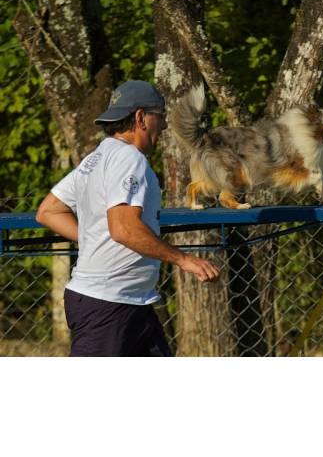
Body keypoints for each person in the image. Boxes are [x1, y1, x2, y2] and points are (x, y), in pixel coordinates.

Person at [36, 80, 220, 356]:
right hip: (107, 307)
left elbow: (49, 211)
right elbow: (123, 228)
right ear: (140, 118)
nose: (166, 126)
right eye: (161, 116)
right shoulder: (129, 159)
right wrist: (185, 260)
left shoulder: (96, 158)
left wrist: (92, 237)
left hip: (130, 302)